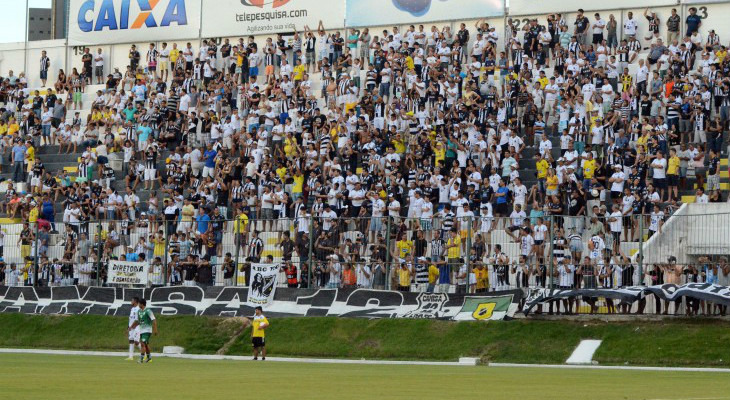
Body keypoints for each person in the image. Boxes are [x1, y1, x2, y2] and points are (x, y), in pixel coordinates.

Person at [127, 298, 157, 363]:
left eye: (139, 303)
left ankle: (141, 359)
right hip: (142, 330)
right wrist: (131, 327)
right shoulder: (139, 311)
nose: (138, 304)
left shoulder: (148, 311)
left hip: (147, 330)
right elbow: (137, 321)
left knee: (142, 343)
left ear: (142, 304)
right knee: (146, 345)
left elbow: (154, 320)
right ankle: (149, 357)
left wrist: (155, 330)